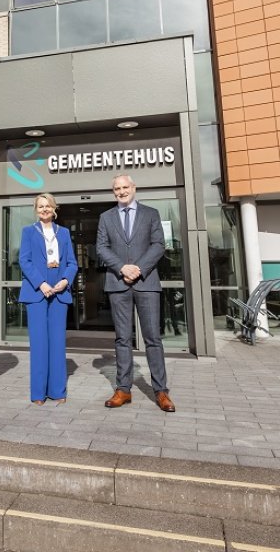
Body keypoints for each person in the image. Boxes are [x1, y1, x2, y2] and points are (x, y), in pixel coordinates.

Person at [95, 174, 175, 412]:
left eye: (125, 187)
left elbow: (158, 245)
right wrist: (122, 267)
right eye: (117, 189)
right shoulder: (105, 217)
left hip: (146, 282)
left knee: (153, 339)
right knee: (122, 339)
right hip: (118, 283)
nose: (121, 191)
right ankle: (123, 389)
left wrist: (138, 269)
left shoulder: (151, 214)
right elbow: (101, 247)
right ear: (114, 192)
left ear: (134, 188)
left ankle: (161, 391)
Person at [18, 193, 78, 405]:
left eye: (48, 206)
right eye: (40, 206)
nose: (44, 209)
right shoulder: (28, 232)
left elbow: (72, 263)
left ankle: (57, 391)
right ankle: (38, 394)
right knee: (39, 344)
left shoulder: (64, 233)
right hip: (37, 293)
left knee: (57, 343)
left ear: (54, 209)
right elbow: (24, 261)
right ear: (36, 210)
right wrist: (41, 284)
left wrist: (64, 281)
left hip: (59, 293)